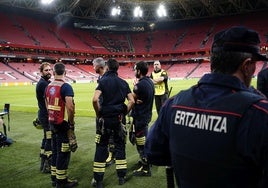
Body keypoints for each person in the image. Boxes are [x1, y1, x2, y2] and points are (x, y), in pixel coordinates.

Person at [145, 26, 268, 188]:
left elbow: (153, 152)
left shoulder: (174, 103)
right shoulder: (259, 112)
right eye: (254, 65)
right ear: (247, 66)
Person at [92, 58, 135, 187]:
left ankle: (98, 180)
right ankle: (121, 177)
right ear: (117, 69)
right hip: (118, 120)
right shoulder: (123, 83)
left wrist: (99, 113)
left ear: (107, 67)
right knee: (120, 146)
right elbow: (132, 100)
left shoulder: (102, 81)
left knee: (101, 147)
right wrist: (124, 113)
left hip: (105, 120)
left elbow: (95, 100)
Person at [45, 62, 78, 188]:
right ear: (65, 72)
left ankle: (54, 178)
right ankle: (62, 181)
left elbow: (47, 104)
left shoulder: (48, 86)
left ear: (53, 73)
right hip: (62, 124)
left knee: (55, 150)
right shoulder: (66, 87)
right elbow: (70, 107)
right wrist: (71, 123)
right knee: (63, 152)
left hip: (51, 122)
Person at [130, 61, 154, 177]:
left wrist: (133, 101)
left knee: (141, 142)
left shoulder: (139, 85)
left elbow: (131, 100)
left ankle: (145, 168)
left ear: (139, 71)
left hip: (140, 117)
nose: (134, 71)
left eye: (135, 69)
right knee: (145, 140)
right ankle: (146, 160)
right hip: (146, 115)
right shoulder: (149, 81)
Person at [92, 57, 115, 166]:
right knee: (102, 134)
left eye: (94, 65)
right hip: (102, 110)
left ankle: (111, 155)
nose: (93, 67)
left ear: (99, 66)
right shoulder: (100, 78)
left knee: (109, 134)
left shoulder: (108, 78)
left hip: (107, 111)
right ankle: (106, 154)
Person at [35, 62, 52, 173]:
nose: (49, 71)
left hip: (43, 113)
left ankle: (43, 162)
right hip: (46, 115)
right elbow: (47, 102)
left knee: (46, 137)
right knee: (49, 138)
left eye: (50, 69)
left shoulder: (44, 82)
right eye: (46, 70)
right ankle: (47, 164)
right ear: (41, 72)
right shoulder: (43, 84)